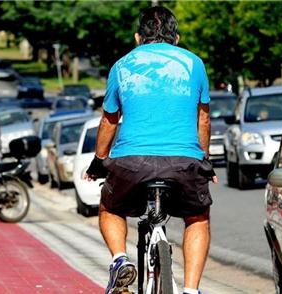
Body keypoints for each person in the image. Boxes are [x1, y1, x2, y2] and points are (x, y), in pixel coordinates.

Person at [84, 6, 216, 294]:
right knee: (197, 217)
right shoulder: (195, 64)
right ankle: (191, 290)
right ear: (176, 38)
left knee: (110, 207)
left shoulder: (121, 66)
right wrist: (205, 160)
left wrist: (98, 160)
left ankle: (120, 260)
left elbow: (109, 120)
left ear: (137, 37)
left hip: (131, 162)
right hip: (184, 162)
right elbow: (203, 118)